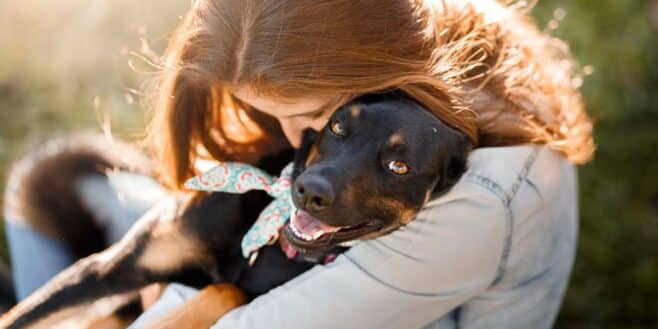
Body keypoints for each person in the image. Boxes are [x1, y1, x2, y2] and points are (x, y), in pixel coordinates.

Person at [4, 0, 594, 328]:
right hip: (265, 261)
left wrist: (159, 290)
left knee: (84, 228)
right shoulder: (425, 43)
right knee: (56, 177)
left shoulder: (465, 206)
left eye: (313, 113)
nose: (294, 141)